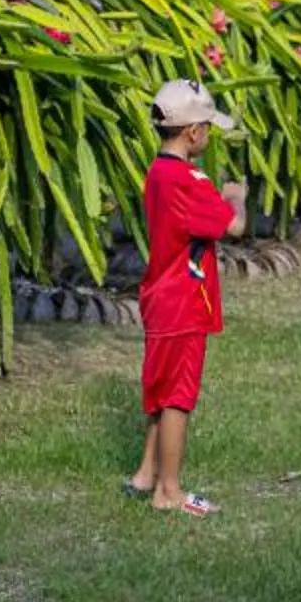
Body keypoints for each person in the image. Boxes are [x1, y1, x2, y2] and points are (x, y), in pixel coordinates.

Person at [126, 81, 248, 517]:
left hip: (161, 296)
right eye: (208, 128)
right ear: (193, 133)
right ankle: (169, 491)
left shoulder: (158, 172)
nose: (210, 136)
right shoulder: (189, 180)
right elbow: (232, 226)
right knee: (178, 397)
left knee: (161, 390)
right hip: (184, 302)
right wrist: (236, 195)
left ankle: (145, 475)